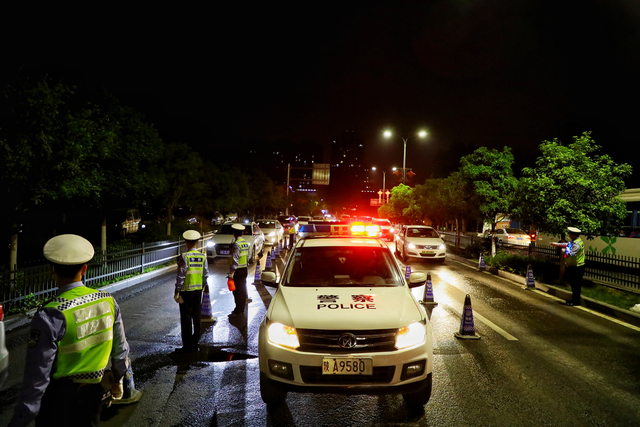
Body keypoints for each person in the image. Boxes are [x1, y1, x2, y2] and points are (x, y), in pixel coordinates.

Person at [10, 234, 130, 427]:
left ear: (52, 269)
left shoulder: (51, 314)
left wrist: (21, 419)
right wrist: (118, 379)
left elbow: (37, 376)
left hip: (59, 400)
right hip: (94, 392)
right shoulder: (108, 300)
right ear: (84, 269)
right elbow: (121, 349)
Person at [174, 230, 209, 353]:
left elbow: (181, 276)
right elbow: (205, 274)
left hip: (186, 291)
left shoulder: (184, 257)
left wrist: (177, 290)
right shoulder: (202, 256)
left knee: (186, 318)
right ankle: (195, 341)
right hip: (198, 290)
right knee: (196, 315)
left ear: (186, 243)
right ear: (197, 242)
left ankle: (187, 345)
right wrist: (203, 286)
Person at [551, 227, 585, 306]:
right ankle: (574, 300)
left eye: (570, 234)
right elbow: (567, 244)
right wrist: (557, 244)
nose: (569, 235)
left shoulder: (577, 244)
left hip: (577, 267)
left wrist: (564, 251)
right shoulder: (574, 242)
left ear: (573, 235)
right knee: (573, 284)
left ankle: (575, 302)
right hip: (573, 266)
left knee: (576, 285)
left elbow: (571, 253)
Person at [228, 224, 250, 317]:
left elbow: (235, 259)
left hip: (238, 270)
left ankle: (239, 310)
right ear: (242, 233)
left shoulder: (237, 244)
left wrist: (231, 272)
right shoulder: (245, 243)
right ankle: (240, 308)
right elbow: (248, 256)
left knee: (237, 291)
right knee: (242, 289)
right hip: (244, 269)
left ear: (234, 233)